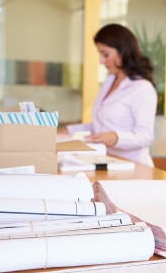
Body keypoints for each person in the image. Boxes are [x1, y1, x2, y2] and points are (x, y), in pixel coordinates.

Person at [66, 23, 157, 167]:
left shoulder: (142, 88)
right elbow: (101, 126)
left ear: (123, 51)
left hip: (135, 167)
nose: (101, 61)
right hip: (108, 162)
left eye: (105, 54)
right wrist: (67, 130)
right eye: (100, 54)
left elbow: (145, 136)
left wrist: (116, 137)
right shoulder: (109, 81)